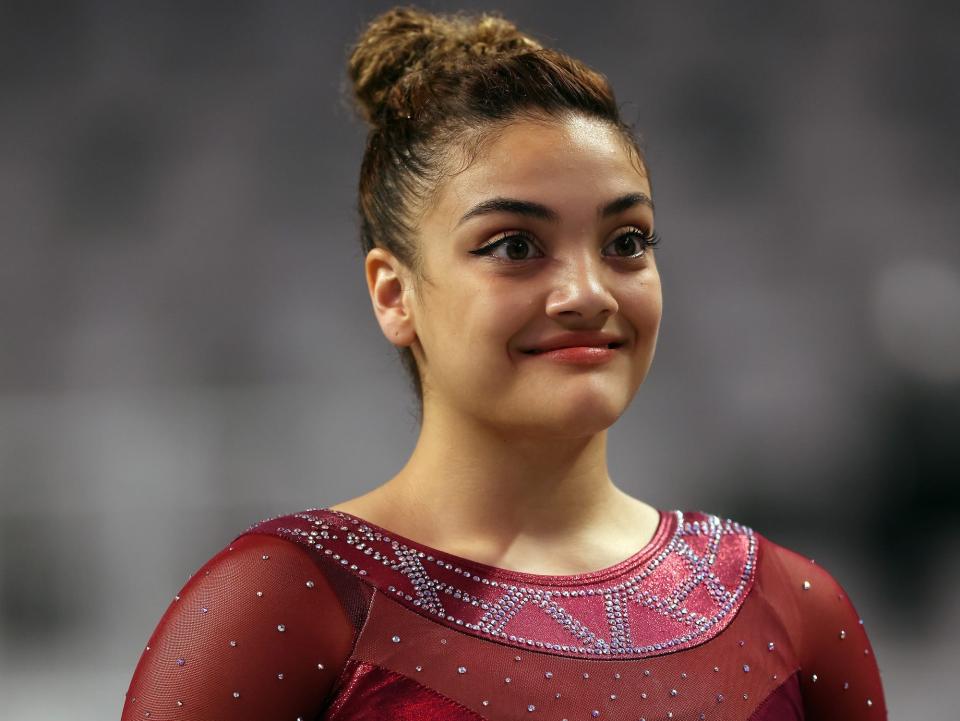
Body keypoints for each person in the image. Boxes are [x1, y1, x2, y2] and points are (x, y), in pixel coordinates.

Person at [120, 6, 887, 720]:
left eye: (627, 242)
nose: (588, 293)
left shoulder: (794, 608)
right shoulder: (282, 604)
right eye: (515, 246)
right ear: (395, 294)